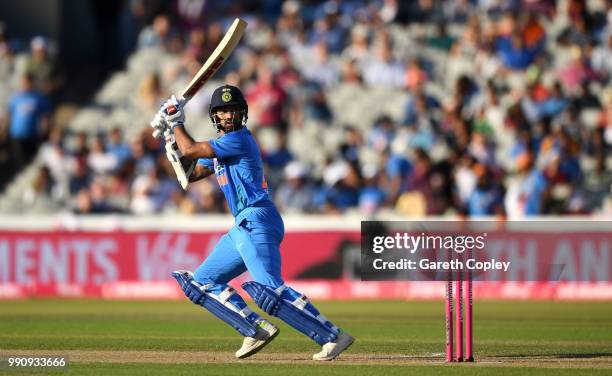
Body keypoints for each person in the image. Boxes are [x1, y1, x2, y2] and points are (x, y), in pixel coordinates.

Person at [150, 85, 354, 360]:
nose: (228, 115)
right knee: (202, 283)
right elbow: (189, 174)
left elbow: (191, 149)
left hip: (258, 217)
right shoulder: (221, 148)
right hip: (242, 226)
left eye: (233, 109)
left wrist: (176, 122)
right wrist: (168, 136)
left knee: (270, 291)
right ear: (214, 115)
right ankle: (255, 329)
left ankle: (333, 336)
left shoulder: (240, 140)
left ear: (242, 113)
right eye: (223, 111)